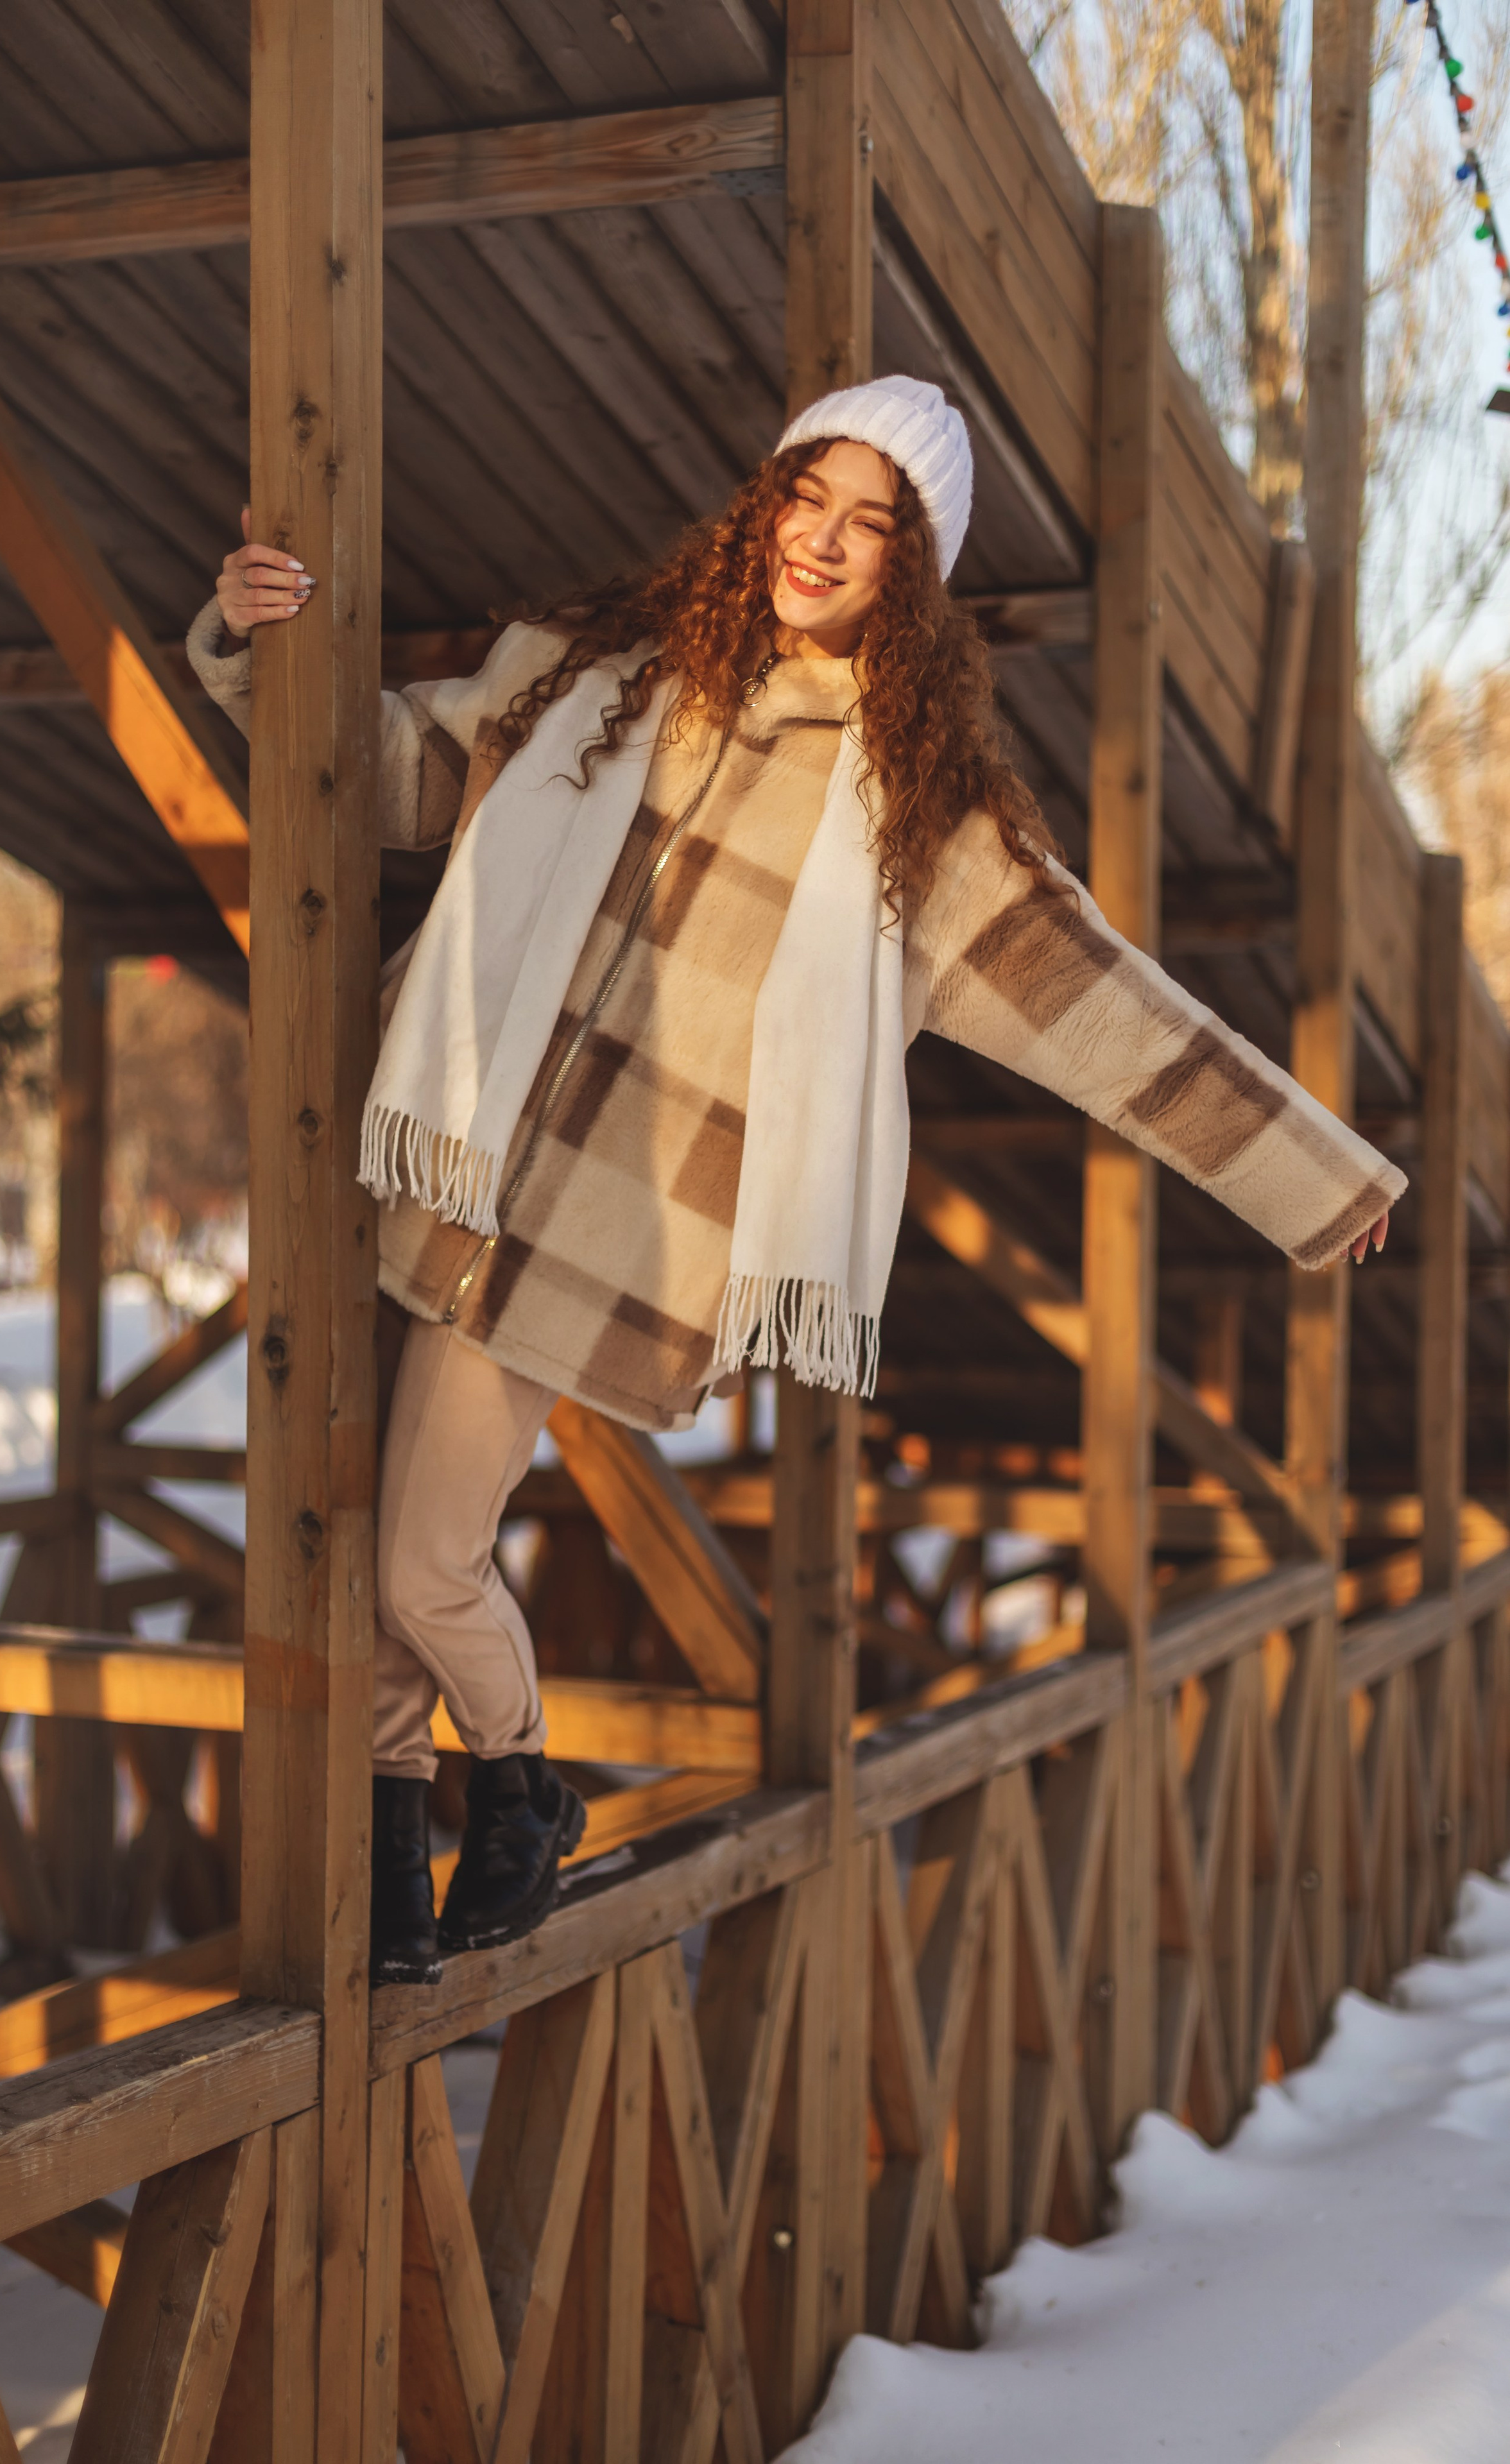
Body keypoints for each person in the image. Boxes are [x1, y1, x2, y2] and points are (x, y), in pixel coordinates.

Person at [188, 376, 1402, 1990]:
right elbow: (387, 776)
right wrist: (250, 639)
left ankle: (524, 1784)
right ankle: (394, 1855)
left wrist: (1314, 1178)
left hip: (603, 1233)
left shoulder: (917, 817)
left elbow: (1106, 1011)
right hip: (433, 1152)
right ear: (761, 504)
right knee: (370, 1527)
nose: (820, 542)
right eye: (803, 498)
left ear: (912, 572)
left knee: (421, 1555)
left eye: (868, 525)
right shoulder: (586, 679)